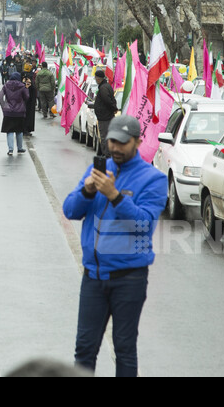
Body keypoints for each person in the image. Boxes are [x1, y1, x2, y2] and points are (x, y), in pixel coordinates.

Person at [62, 115, 168, 377]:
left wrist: (115, 196)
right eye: (112, 141)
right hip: (94, 277)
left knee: (124, 348)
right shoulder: (97, 169)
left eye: (123, 143)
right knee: (84, 349)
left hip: (129, 278)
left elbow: (144, 224)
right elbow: (70, 210)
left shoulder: (153, 179)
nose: (116, 148)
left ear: (138, 142)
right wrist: (87, 191)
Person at [0, 72, 29, 155]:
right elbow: (27, 97)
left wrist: (4, 106)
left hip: (8, 112)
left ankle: (10, 149)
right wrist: (26, 88)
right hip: (19, 112)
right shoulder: (22, 86)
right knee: (19, 131)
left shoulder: (6, 85)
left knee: (9, 131)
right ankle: (20, 148)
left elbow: (0, 96)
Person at [93, 69, 117, 158]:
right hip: (106, 116)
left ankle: (107, 155)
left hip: (105, 117)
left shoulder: (103, 88)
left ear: (98, 79)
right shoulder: (106, 86)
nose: (95, 80)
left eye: (96, 78)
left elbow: (107, 100)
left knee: (105, 137)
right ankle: (107, 154)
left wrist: (113, 108)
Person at [22, 63, 37, 136]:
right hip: (29, 99)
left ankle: (25, 129)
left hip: (24, 99)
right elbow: (31, 87)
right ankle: (25, 129)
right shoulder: (29, 76)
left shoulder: (22, 75)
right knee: (28, 114)